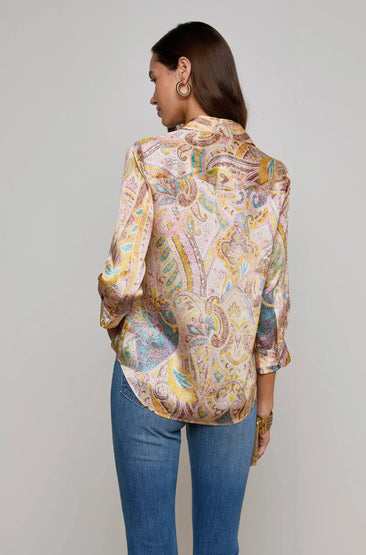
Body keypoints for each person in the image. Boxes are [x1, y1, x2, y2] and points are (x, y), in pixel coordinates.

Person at [98, 21, 292, 555]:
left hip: (149, 377)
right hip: (232, 389)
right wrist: (265, 408)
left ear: (183, 72)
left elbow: (119, 279)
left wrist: (120, 330)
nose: (152, 95)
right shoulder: (270, 175)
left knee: (149, 547)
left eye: (155, 78)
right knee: (219, 544)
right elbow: (272, 305)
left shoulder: (149, 157)